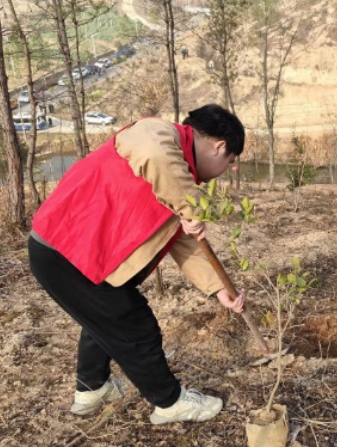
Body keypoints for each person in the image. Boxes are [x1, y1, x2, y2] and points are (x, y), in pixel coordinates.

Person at [28, 104, 246, 424]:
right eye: (230, 161)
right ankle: (169, 402)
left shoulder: (175, 177)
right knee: (135, 324)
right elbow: (153, 153)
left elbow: (184, 241)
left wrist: (217, 287)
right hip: (66, 250)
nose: (228, 169)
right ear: (219, 146)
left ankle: (92, 389)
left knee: (103, 319)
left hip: (74, 254)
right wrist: (191, 207)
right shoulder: (158, 133)